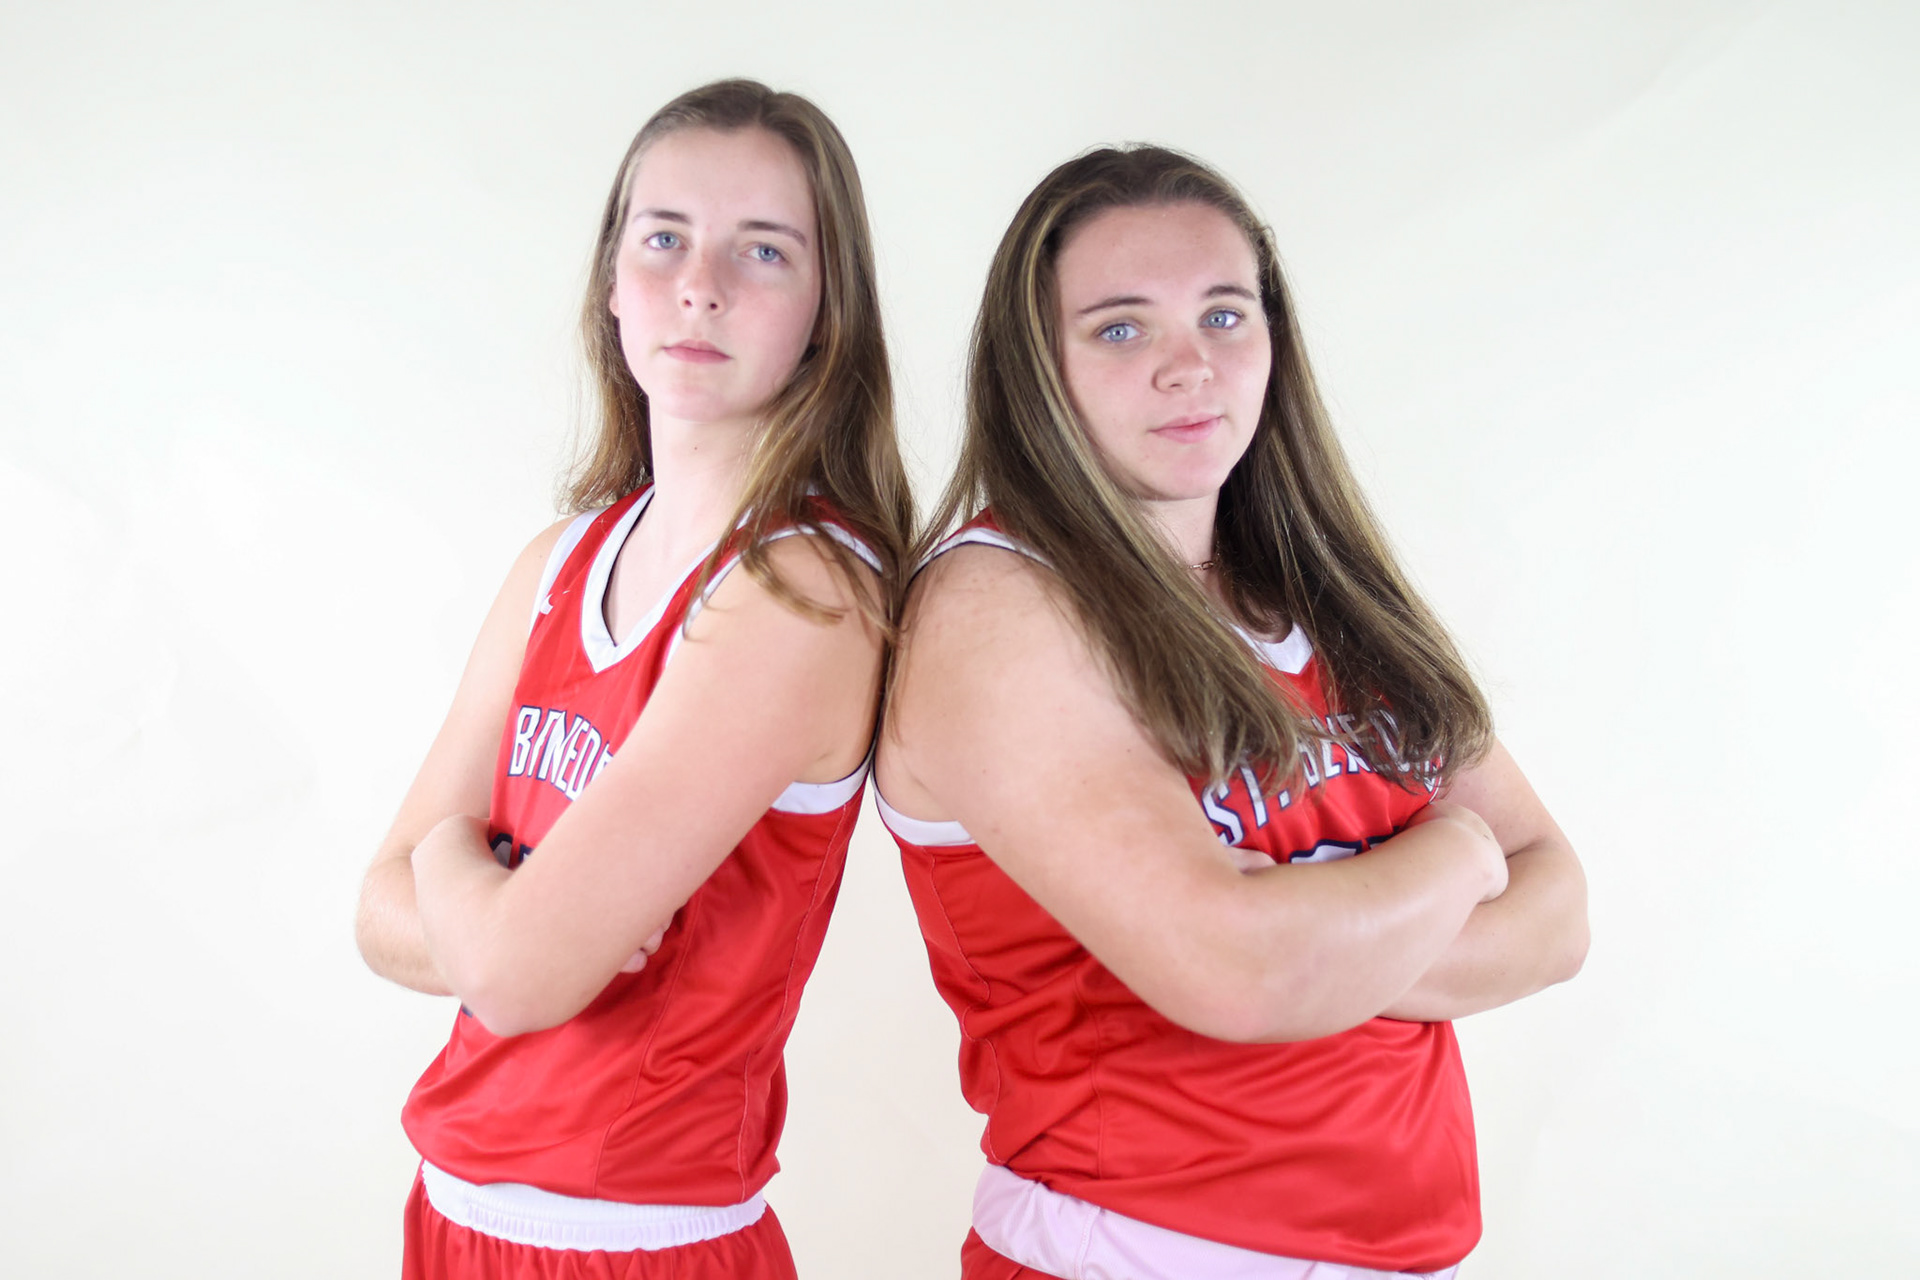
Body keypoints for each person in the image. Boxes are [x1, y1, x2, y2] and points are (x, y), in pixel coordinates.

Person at [874, 145, 1588, 1280]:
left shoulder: (1319, 587)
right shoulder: (996, 605)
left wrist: (1309, 931)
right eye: (1120, 327)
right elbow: (1240, 975)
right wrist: (1453, 850)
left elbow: (1557, 908)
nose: (1187, 366)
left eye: (1223, 314)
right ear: (1037, 371)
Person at [353, 78, 910, 1280]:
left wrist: (467, 868)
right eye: (664, 239)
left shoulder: (801, 587)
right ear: (611, 283)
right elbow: (376, 915)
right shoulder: (561, 560)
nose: (700, 283)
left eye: (763, 250)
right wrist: (505, 904)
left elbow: (515, 973)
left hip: (636, 1242)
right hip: (452, 1212)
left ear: (826, 310)